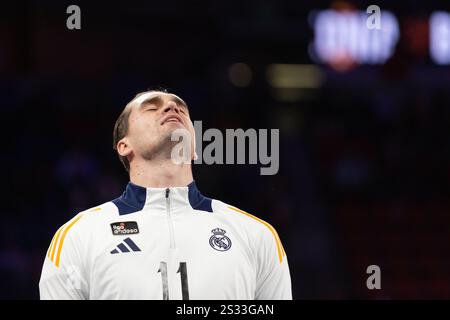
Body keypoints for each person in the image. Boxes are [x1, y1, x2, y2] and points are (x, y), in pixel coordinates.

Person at [39, 89, 292, 300]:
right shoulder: (80, 235)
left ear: (193, 148)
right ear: (123, 145)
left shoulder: (256, 235)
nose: (172, 107)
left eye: (180, 108)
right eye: (151, 107)